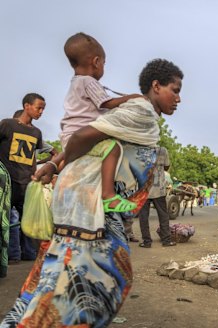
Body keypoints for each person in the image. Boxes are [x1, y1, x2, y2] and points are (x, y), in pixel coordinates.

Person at [1, 58, 183, 327]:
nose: (179, 98)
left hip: (89, 202)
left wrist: (54, 163)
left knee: (68, 277)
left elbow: (93, 136)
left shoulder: (138, 112)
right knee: (94, 281)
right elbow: (81, 137)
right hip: (89, 203)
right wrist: (53, 163)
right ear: (156, 86)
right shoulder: (141, 110)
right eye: (175, 90)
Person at [60, 32, 143, 214]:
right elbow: (107, 103)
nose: (104, 67)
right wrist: (134, 98)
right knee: (113, 148)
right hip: (83, 136)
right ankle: (108, 195)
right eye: (104, 63)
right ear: (96, 62)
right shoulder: (89, 82)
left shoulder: (75, 82)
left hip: (70, 137)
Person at [0, 93, 45, 263]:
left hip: (26, 182)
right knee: (8, 221)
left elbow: (32, 156)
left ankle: (29, 254)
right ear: (27, 106)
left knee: (28, 220)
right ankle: (11, 256)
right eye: (38, 107)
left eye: (43, 109)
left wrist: (35, 174)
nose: (41, 112)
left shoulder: (36, 132)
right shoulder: (7, 124)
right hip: (7, 182)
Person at [138, 146, 175, 248]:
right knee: (163, 215)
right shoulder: (163, 150)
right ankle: (166, 241)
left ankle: (146, 242)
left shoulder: (139, 150)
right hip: (159, 188)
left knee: (143, 217)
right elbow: (166, 166)